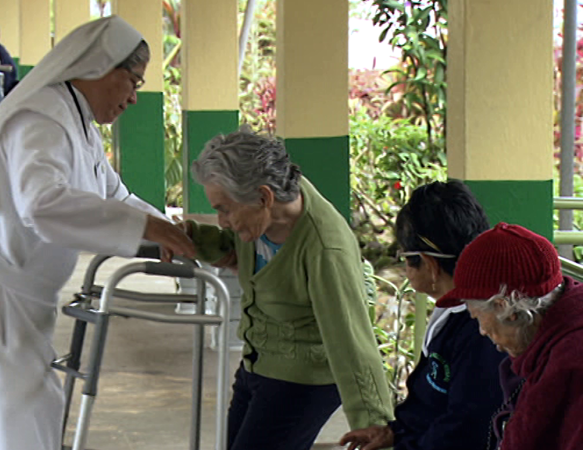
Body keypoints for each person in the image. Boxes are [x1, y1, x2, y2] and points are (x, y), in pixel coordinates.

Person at [0, 16, 195, 450]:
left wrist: (167, 229)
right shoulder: (41, 115)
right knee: (7, 424)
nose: (135, 97)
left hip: (10, 300)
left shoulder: (76, 122)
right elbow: (42, 205)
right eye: (133, 81)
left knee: (10, 422)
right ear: (101, 65)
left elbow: (115, 196)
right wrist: (147, 227)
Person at [164, 128, 393, 450]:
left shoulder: (325, 249)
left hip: (302, 378)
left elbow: (350, 338)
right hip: (259, 363)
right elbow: (235, 247)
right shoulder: (265, 217)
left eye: (225, 209)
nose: (223, 220)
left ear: (264, 196)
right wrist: (190, 237)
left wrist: (373, 421)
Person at [340, 180, 507, 450]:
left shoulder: (482, 329)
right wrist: (396, 432)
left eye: (404, 256)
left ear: (428, 264)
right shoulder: (450, 309)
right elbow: (435, 400)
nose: (403, 265)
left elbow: (467, 429)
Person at [436, 222, 583, 450]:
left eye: (477, 318)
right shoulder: (552, 341)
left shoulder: (571, 364)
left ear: (505, 308)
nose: (482, 332)